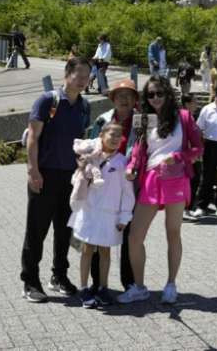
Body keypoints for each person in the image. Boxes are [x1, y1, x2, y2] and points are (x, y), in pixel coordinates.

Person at [119, 76, 203, 304]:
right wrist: (131, 166)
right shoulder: (144, 119)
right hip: (150, 179)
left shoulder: (183, 117)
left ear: (168, 93)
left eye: (159, 93)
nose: (155, 98)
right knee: (135, 236)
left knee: (172, 233)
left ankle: (171, 284)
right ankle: (139, 286)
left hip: (175, 178)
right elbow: (137, 149)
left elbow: (198, 149)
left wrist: (178, 156)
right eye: (150, 94)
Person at [21, 57, 92, 303]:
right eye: (79, 75)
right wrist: (33, 170)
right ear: (67, 74)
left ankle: (59, 276)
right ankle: (30, 281)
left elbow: (81, 140)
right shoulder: (47, 101)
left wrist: (84, 165)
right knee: (36, 230)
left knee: (65, 230)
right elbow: (32, 137)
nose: (83, 81)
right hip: (45, 173)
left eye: (87, 77)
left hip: (71, 177)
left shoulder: (84, 106)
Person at [68, 121, 135, 308]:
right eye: (111, 134)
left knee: (105, 251)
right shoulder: (89, 157)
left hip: (109, 215)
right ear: (102, 135)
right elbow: (76, 181)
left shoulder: (122, 162)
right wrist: (82, 169)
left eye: (118, 136)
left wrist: (124, 217)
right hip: (89, 212)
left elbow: (127, 193)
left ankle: (103, 288)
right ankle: (83, 288)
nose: (114, 139)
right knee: (86, 250)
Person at [84, 79, 141, 292]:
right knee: (99, 236)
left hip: (129, 187)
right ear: (113, 98)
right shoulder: (103, 120)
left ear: (135, 100)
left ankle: (129, 282)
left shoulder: (142, 122)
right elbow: (90, 148)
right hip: (103, 186)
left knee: (128, 236)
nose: (124, 99)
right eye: (120, 95)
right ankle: (98, 284)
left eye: (129, 95)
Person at [190, 84, 217, 217]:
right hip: (209, 145)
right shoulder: (207, 109)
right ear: (216, 96)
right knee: (206, 177)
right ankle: (202, 206)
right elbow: (198, 128)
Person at [179, 94, 204, 218]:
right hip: (190, 156)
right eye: (194, 101)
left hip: (194, 155)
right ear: (187, 104)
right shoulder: (184, 116)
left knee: (195, 180)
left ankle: (187, 208)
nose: (197, 104)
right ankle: (184, 208)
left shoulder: (191, 116)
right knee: (191, 181)